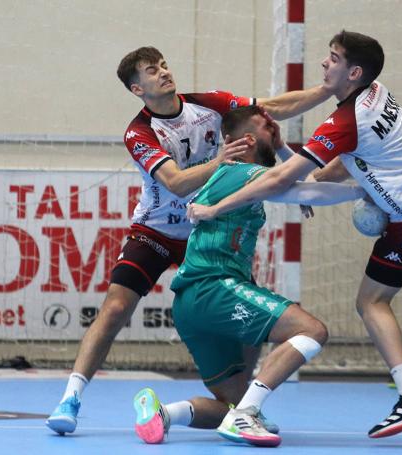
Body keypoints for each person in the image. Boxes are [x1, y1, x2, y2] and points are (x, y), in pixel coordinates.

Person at [186, 30, 402, 449]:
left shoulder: (345, 120)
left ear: (354, 72)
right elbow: (332, 173)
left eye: (333, 58)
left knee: (371, 301)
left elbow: (280, 180)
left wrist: (214, 209)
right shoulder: (376, 95)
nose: (325, 64)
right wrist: (302, 173)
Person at [46, 46, 332, 435]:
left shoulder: (207, 104)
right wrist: (221, 161)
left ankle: (239, 404)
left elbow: (272, 109)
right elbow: (176, 182)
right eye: (152, 70)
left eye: (164, 65)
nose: (163, 72)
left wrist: (332, 90)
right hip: (159, 229)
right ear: (137, 88)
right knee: (115, 308)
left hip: (208, 229)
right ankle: (70, 398)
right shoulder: (140, 132)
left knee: (244, 312)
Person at [133, 105, 366, 447]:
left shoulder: (237, 178)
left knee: (230, 404)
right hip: (214, 287)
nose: (274, 125)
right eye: (265, 123)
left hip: (191, 305)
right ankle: (248, 414)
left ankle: (164, 414)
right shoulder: (239, 170)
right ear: (245, 139)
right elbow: (305, 189)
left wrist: (287, 153)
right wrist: (364, 193)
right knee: (311, 331)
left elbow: (296, 180)